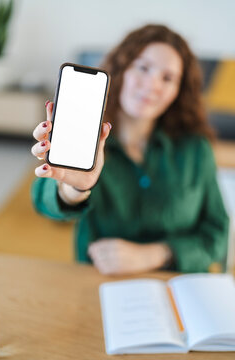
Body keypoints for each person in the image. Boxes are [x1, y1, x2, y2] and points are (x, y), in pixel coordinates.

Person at [31, 24, 229, 275]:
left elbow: (218, 231)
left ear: (177, 92)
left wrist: (156, 254)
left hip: (180, 284)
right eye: (143, 68)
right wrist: (75, 188)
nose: (152, 85)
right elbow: (44, 202)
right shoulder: (85, 139)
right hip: (99, 284)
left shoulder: (195, 149)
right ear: (122, 68)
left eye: (167, 78)